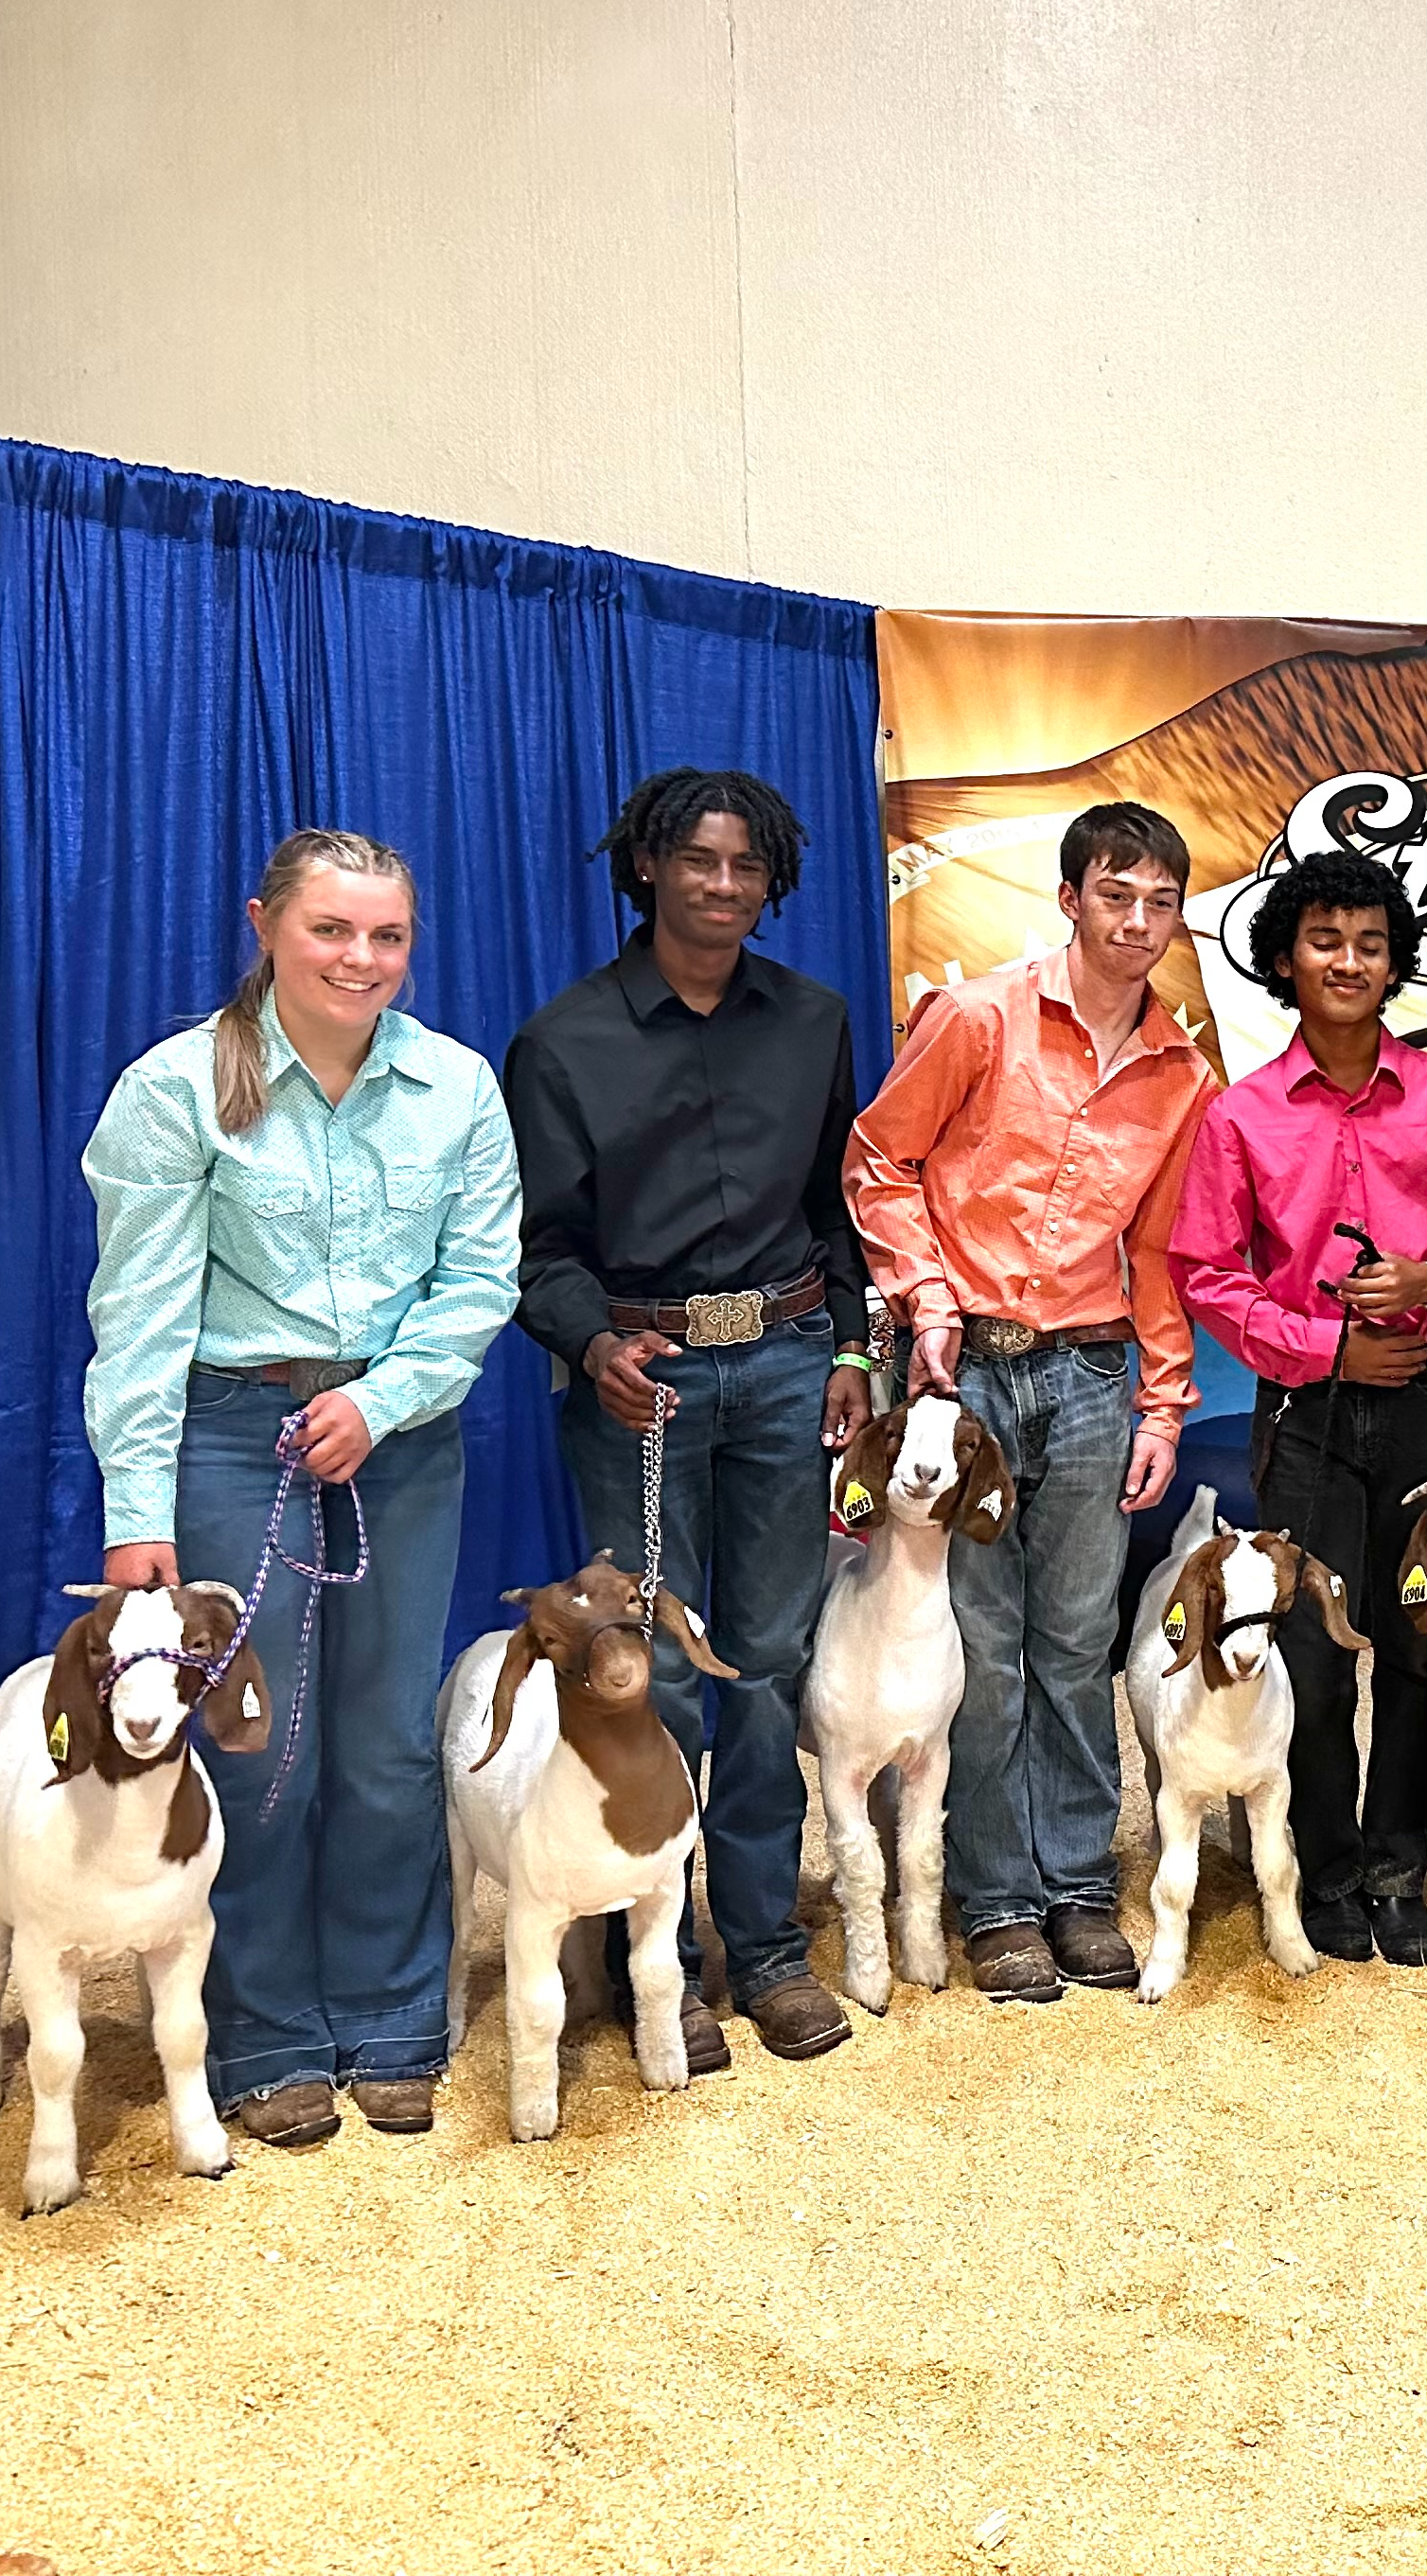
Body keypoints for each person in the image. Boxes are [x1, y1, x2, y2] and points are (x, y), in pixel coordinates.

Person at [80, 829, 520, 2147]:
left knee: (386, 1740)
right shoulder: (177, 1091)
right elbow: (142, 1313)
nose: (361, 959)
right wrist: (136, 1516)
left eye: (387, 935)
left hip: (401, 1432)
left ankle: (388, 2016)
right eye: (332, 930)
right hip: (231, 1431)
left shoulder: (456, 1087)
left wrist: (380, 1402)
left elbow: (480, 1278)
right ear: (266, 924)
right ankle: (264, 2032)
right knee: (259, 1744)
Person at [502, 768, 872, 2066]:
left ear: (774, 881)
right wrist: (594, 1342)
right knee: (640, 1668)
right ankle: (639, 1952)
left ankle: (764, 1948)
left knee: (765, 1665)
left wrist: (857, 1349)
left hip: (784, 1362)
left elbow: (841, 1209)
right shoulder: (564, 1042)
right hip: (639, 1378)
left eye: (747, 866)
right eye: (698, 861)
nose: (724, 885)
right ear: (646, 867)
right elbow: (537, 1250)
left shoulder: (816, 1021)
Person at [846, 803, 1219, 2003]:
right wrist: (922, 1292)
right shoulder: (977, 1019)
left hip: (1096, 1372)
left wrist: (1166, 1405)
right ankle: (996, 1894)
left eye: (1162, 902)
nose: (1140, 922)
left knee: (1074, 1640)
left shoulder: (1181, 1071)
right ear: (1070, 898)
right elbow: (879, 1159)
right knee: (984, 1643)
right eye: (1118, 894)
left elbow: (1160, 1251)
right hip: (967, 1378)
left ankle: (1074, 1882)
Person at [1170, 848, 1427, 1969]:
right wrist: (1326, 1347)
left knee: (1412, 1637)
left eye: (1368, 942)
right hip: (1301, 1413)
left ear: (1395, 960)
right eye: (1324, 941)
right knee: (1304, 1642)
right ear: (1282, 960)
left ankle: (1402, 1867)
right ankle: (1326, 1862)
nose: (1347, 961)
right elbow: (1208, 1271)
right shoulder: (1240, 1118)